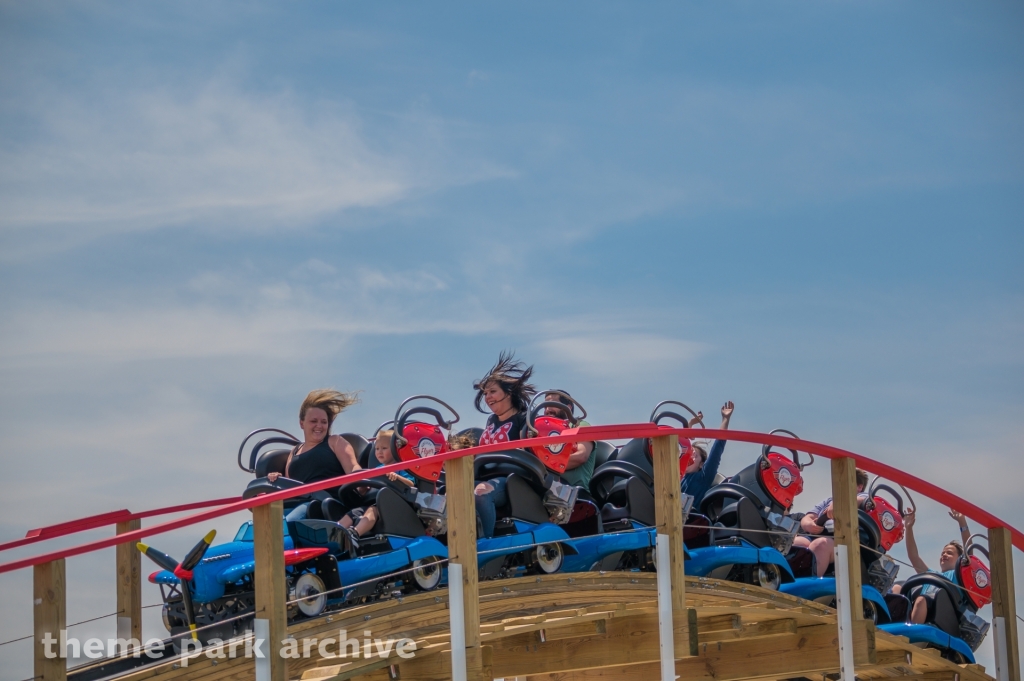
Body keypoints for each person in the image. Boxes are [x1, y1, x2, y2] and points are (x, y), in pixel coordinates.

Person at [266, 389, 362, 526]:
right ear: (302, 423)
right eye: (313, 421)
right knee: (265, 524)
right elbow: (290, 486)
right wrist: (277, 479)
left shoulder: (335, 442)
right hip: (297, 503)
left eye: (324, 422)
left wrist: (361, 482)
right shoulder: (294, 451)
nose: (319, 426)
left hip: (325, 504)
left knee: (286, 525)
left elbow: (353, 468)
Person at [472, 351, 536, 538]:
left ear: (508, 393)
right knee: (451, 491)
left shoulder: (523, 419)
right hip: (486, 474)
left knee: (481, 493)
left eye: (492, 391)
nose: (487, 397)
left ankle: (486, 543)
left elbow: (528, 451)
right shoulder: (491, 420)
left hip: (511, 479)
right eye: (485, 393)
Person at [334, 430, 420, 540]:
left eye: (384, 448)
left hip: (391, 505)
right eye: (377, 448)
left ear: (396, 449)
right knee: (352, 513)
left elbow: (411, 484)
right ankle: (335, 534)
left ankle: (354, 534)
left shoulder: (402, 467)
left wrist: (397, 477)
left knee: (372, 510)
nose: (379, 452)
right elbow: (365, 490)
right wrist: (363, 488)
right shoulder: (376, 470)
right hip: (373, 501)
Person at [893, 508, 972, 623]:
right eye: (943, 553)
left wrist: (962, 523)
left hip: (943, 612)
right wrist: (908, 528)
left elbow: (969, 554)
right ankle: (890, 624)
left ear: (960, 559)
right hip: (924, 607)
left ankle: (913, 631)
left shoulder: (958, 575)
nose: (944, 554)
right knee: (897, 588)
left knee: (921, 600)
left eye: (949, 553)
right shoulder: (931, 574)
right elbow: (913, 557)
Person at [791, 468, 869, 577]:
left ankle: (808, 582)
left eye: (845, 482)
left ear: (859, 487)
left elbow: (860, 501)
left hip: (842, 540)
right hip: (817, 533)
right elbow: (808, 517)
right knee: (795, 543)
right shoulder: (828, 501)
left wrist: (839, 503)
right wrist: (808, 524)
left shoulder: (864, 498)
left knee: (820, 545)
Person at [680, 401, 734, 507]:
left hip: (691, 516)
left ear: (701, 464)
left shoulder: (703, 477)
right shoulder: (676, 477)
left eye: (694, 455)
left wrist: (725, 419)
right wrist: (690, 424)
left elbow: (717, 449)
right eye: (688, 454)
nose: (689, 457)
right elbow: (680, 446)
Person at [542, 390, 595, 488]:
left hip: (572, 490)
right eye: (545, 406)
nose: (548, 410)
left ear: (568, 407)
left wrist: (544, 464)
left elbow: (581, 456)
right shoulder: (543, 433)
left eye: (552, 404)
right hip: (546, 483)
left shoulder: (580, 426)